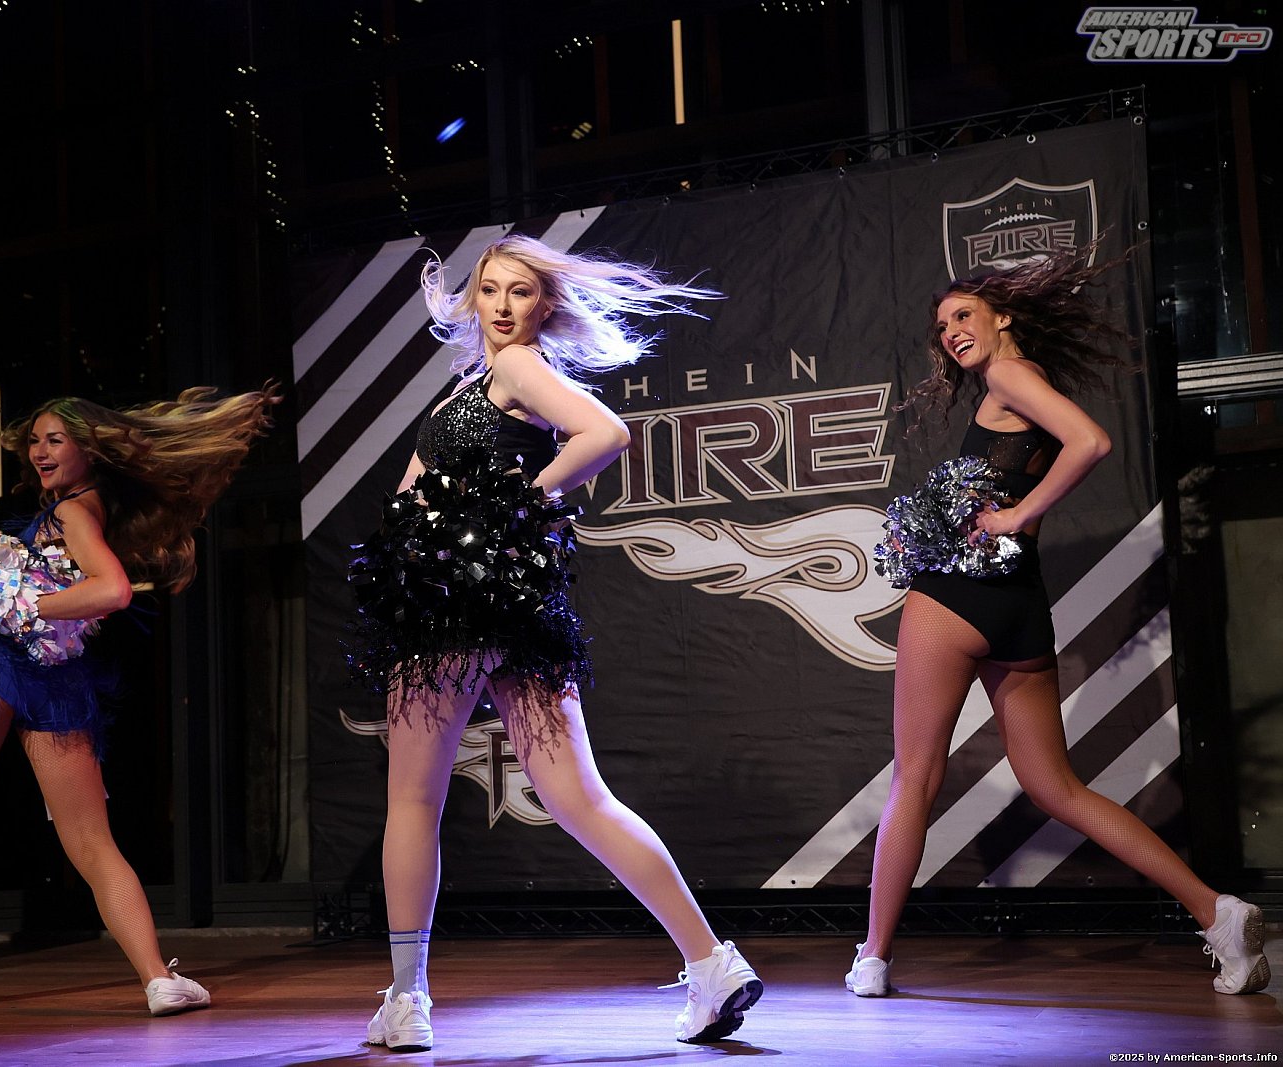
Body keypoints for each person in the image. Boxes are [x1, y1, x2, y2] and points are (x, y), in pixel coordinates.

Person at [346, 234, 763, 1051]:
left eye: (522, 291)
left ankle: (407, 998)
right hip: (512, 605)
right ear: (472, 298)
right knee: (581, 799)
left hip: (455, 607)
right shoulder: (475, 384)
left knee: (414, 802)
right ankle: (711, 962)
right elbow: (408, 502)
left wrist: (514, 508)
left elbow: (604, 433)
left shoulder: (516, 367)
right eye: (491, 289)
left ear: (546, 304)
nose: (504, 306)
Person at [849, 248, 1271, 998]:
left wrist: (1016, 514)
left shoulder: (1010, 376)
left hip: (958, 597)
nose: (950, 331)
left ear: (1004, 317)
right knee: (1058, 789)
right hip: (1018, 602)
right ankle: (1217, 912)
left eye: (964, 315)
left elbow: (1092, 442)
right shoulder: (1022, 380)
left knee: (915, 776)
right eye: (942, 325)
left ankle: (873, 959)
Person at [0, 384, 280, 1018]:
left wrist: (8, 601)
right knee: (91, 841)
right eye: (35, 441)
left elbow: (113, 591)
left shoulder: (73, 511)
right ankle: (157, 980)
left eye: (56, 440)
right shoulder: (82, 507)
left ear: (90, 449)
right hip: (54, 676)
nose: (40, 451)